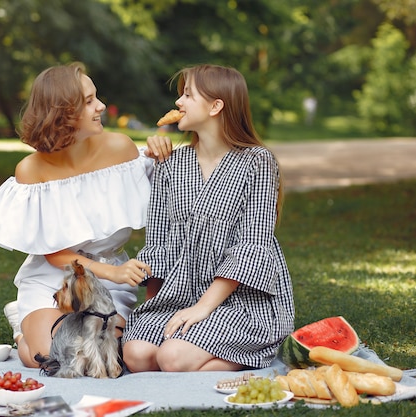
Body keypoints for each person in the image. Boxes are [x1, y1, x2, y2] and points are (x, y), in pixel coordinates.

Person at [0, 62, 169, 368]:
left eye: (96, 97)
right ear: (61, 113)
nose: (100, 106)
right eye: (88, 101)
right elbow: (55, 255)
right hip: (54, 281)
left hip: (108, 285)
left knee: (98, 359)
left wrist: (161, 154)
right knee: (55, 358)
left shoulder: (121, 149)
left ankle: (31, 333)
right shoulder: (31, 170)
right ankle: (27, 331)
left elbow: (173, 198)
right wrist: (114, 272)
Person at [122, 64, 295, 372]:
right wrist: (155, 310)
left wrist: (202, 309)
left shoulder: (257, 162)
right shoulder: (171, 163)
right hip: (179, 294)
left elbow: (251, 246)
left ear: (216, 105)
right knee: (136, 354)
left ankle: (246, 356)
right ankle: (201, 364)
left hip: (240, 301)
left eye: (188, 95)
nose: (178, 103)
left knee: (171, 358)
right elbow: (160, 242)